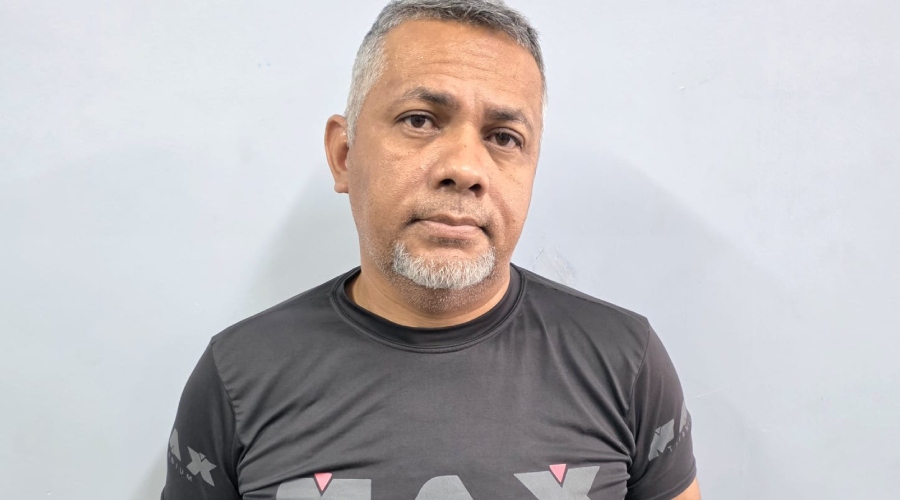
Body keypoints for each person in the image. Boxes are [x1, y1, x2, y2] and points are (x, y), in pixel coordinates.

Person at [161, 0, 701, 498]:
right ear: (345, 155)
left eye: (504, 137)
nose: (464, 169)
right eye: (420, 120)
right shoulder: (237, 376)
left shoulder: (626, 362)